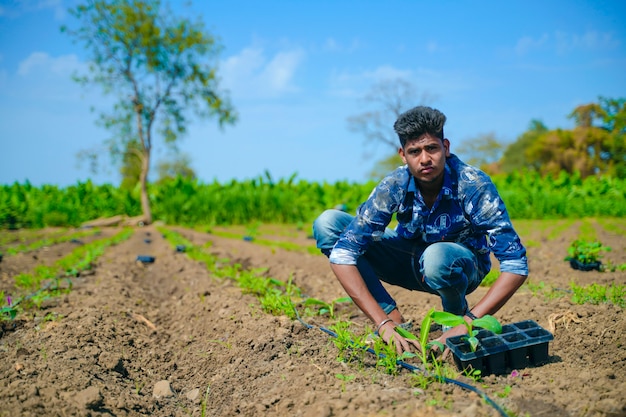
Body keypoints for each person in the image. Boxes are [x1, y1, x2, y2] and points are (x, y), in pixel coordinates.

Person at [312, 105, 528, 354]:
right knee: (328, 223)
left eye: (432, 148)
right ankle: (394, 320)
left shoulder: (473, 185)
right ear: (403, 155)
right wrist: (383, 323)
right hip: (409, 258)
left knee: (437, 256)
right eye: (415, 151)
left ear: (445, 148)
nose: (424, 159)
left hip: (460, 265)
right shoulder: (393, 185)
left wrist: (468, 322)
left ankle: (454, 319)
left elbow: (515, 265)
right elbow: (343, 255)